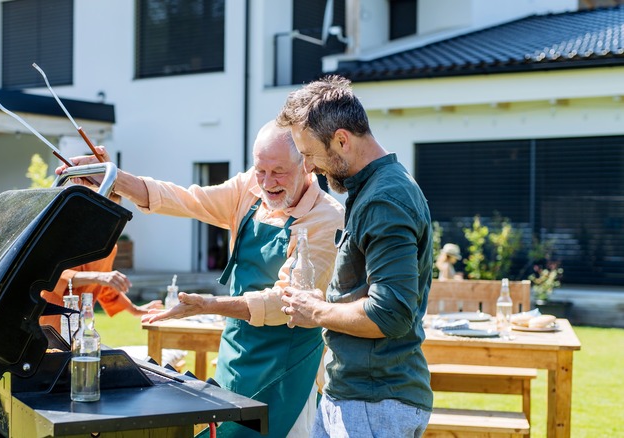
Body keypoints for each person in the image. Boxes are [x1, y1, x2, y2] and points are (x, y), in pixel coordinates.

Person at [58, 120, 344, 438]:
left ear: (307, 163)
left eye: (278, 172)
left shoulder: (326, 217)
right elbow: (188, 199)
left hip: (288, 365)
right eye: (260, 170)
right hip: (236, 351)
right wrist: (118, 179)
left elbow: (285, 303)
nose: (266, 182)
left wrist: (208, 305)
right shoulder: (250, 188)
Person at [276, 75, 434, 437]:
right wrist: (326, 301)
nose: (309, 168)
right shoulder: (373, 190)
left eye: (309, 154)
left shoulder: (384, 199)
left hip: (374, 403)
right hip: (353, 395)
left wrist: (316, 312)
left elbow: (390, 313)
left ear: (342, 140)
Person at [39, 248, 162, 333]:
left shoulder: (110, 247)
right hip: (50, 321)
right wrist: (99, 277)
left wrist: (135, 310)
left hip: (81, 325)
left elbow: (106, 286)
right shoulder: (70, 237)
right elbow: (55, 276)